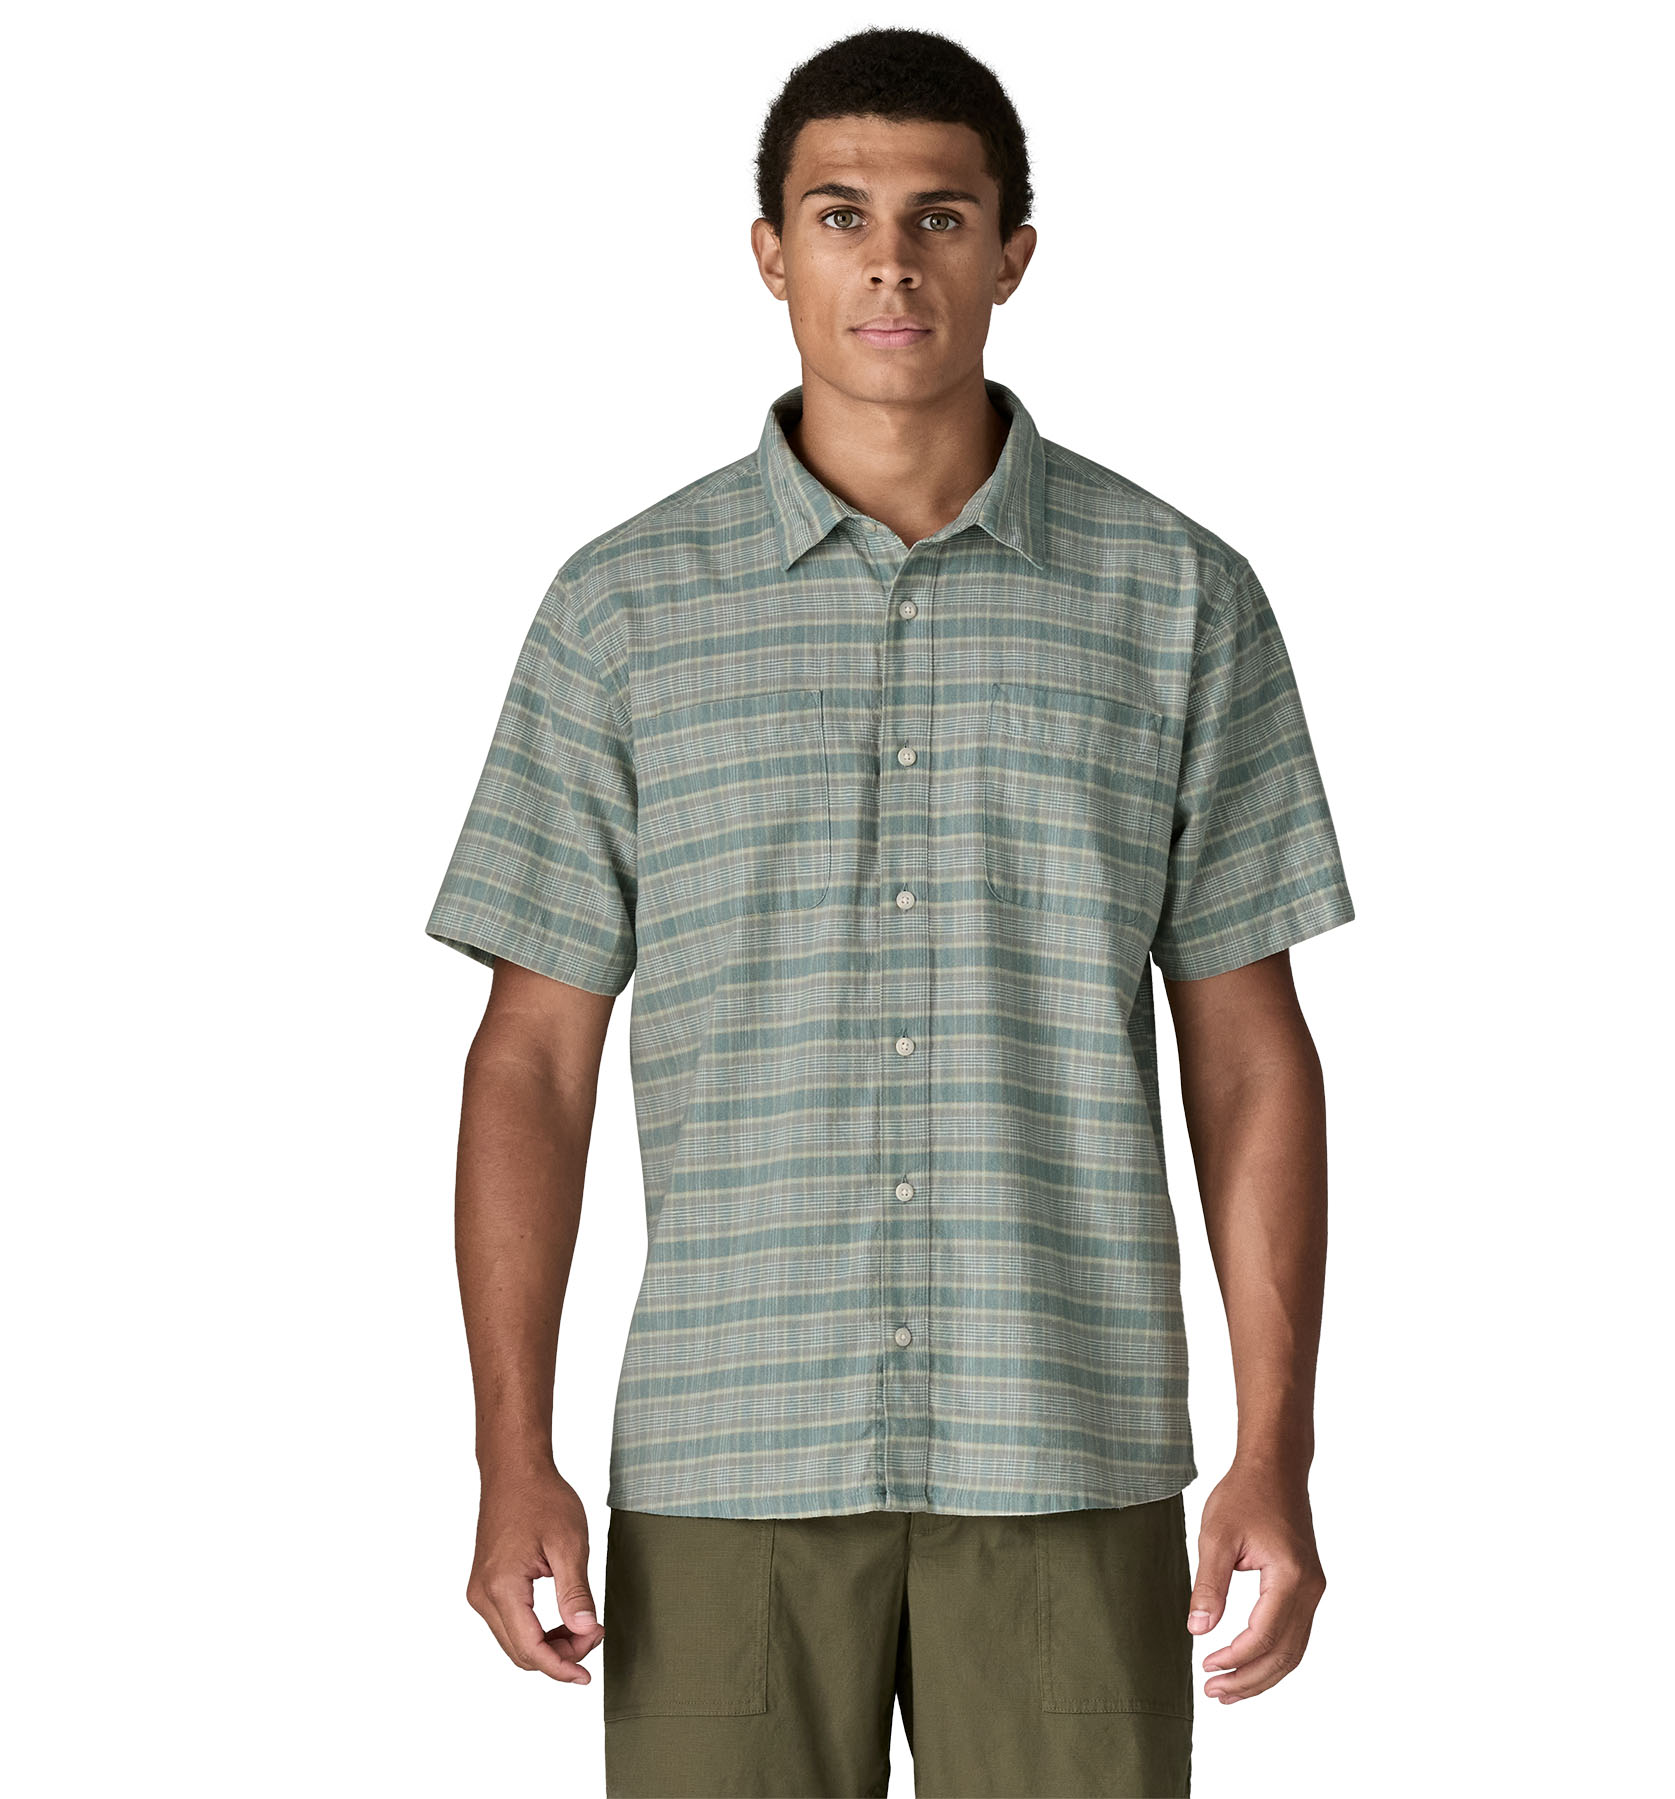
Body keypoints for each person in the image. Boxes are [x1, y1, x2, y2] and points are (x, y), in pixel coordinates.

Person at [425, 25, 1356, 1799]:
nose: (890, 262)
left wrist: (1276, 1450)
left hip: (1068, 1446)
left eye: (941, 217)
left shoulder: (1178, 599)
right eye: (840, 213)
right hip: (727, 1456)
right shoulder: (621, 612)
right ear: (769, 252)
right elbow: (530, 1058)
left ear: (1014, 253)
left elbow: (1250, 1055)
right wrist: (508, 1453)